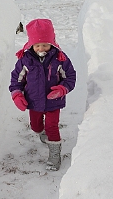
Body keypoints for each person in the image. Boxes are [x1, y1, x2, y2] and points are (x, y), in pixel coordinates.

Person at [9, 19, 76, 171]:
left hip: (54, 102)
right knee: (36, 126)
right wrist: (17, 95)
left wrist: (62, 89)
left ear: (52, 42)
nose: (41, 48)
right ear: (31, 44)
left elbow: (70, 77)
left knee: (52, 126)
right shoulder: (25, 60)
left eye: (45, 44)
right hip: (33, 101)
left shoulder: (60, 59)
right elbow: (16, 79)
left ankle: (54, 154)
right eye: (37, 45)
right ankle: (42, 132)